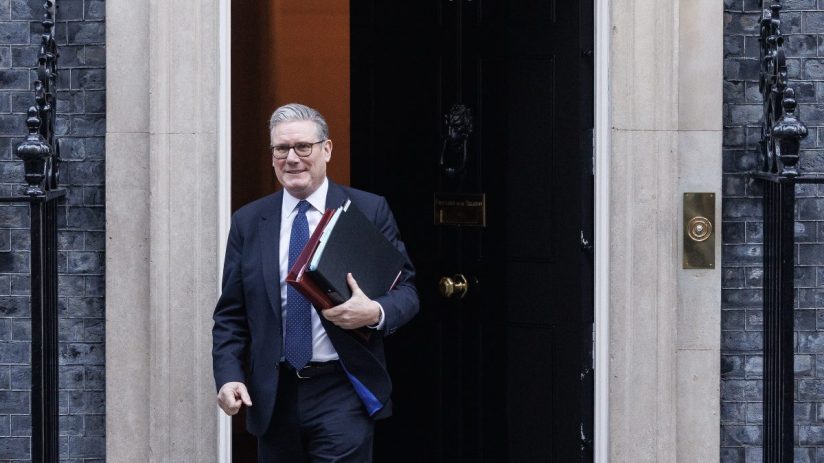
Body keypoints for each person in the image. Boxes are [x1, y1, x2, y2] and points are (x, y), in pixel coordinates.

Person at [212, 103, 419, 462]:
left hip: (342, 388)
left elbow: (407, 293)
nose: (292, 158)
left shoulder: (367, 210)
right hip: (273, 396)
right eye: (281, 149)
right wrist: (229, 377)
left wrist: (373, 311)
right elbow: (231, 314)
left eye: (303, 147)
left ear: (327, 149)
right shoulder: (249, 221)